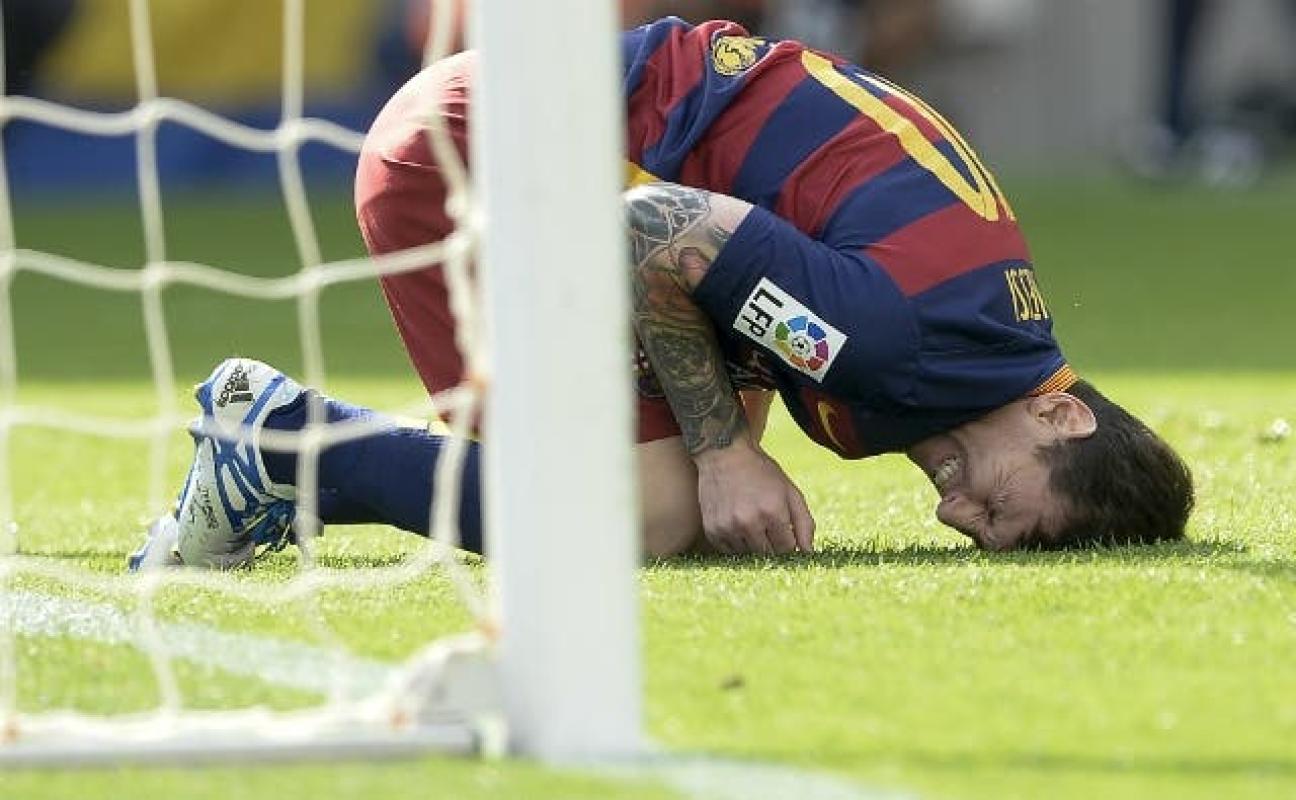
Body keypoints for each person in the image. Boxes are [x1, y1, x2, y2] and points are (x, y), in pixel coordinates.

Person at [130, 17, 1193, 570]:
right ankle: (281, 441)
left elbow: (751, 258)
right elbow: (654, 227)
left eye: (971, 530)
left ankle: (290, 464)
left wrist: (728, 442)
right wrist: (725, 452)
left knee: (677, 497)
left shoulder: (991, 334)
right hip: (481, 150)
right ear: (1062, 415)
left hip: (550, 136)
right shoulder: (902, 345)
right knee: (645, 516)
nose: (951, 509)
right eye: (996, 503)